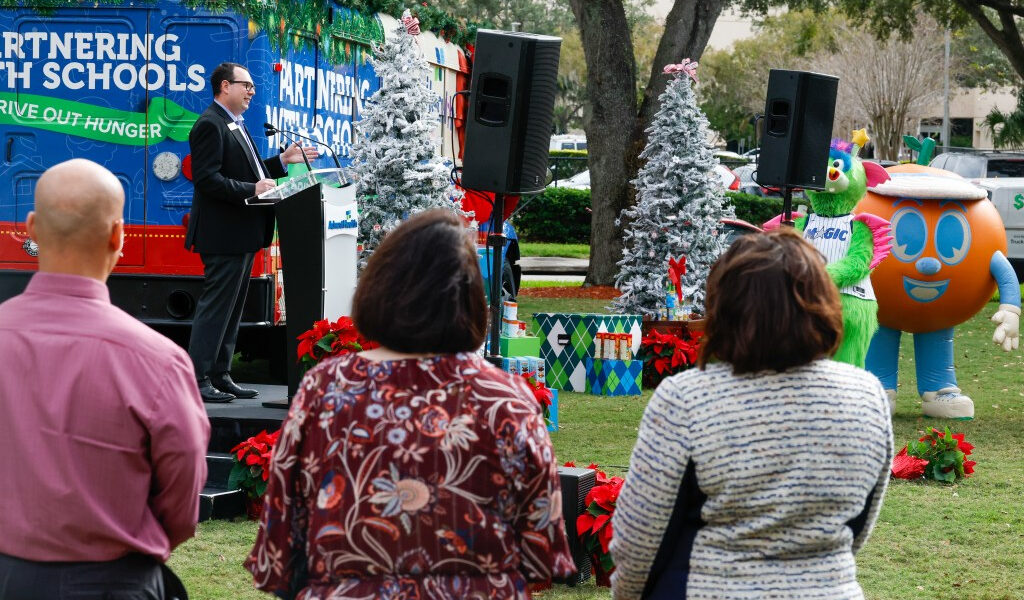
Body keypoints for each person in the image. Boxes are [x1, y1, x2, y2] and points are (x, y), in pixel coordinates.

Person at [246, 209, 575, 599]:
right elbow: (542, 550)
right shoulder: (505, 399)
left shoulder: (327, 388)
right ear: (471, 298)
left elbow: (280, 538)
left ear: (379, 287)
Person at [610, 229, 893, 600]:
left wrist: (626, 595)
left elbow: (641, 535)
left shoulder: (688, 398)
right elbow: (857, 524)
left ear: (725, 308)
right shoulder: (867, 394)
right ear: (824, 302)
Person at [0, 159, 210, 599]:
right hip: (113, 581)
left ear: (32, 228)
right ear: (119, 236)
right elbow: (182, 495)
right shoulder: (158, 360)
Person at [185, 61, 318, 402]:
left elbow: (254, 172)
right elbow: (207, 179)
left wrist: (282, 161)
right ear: (224, 87)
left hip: (242, 233)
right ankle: (197, 380)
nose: (251, 91)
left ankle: (220, 374)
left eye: (252, 87)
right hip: (223, 234)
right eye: (245, 85)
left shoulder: (234, 123)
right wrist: (251, 189)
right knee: (216, 309)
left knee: (231, 311)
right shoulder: (209, 125)